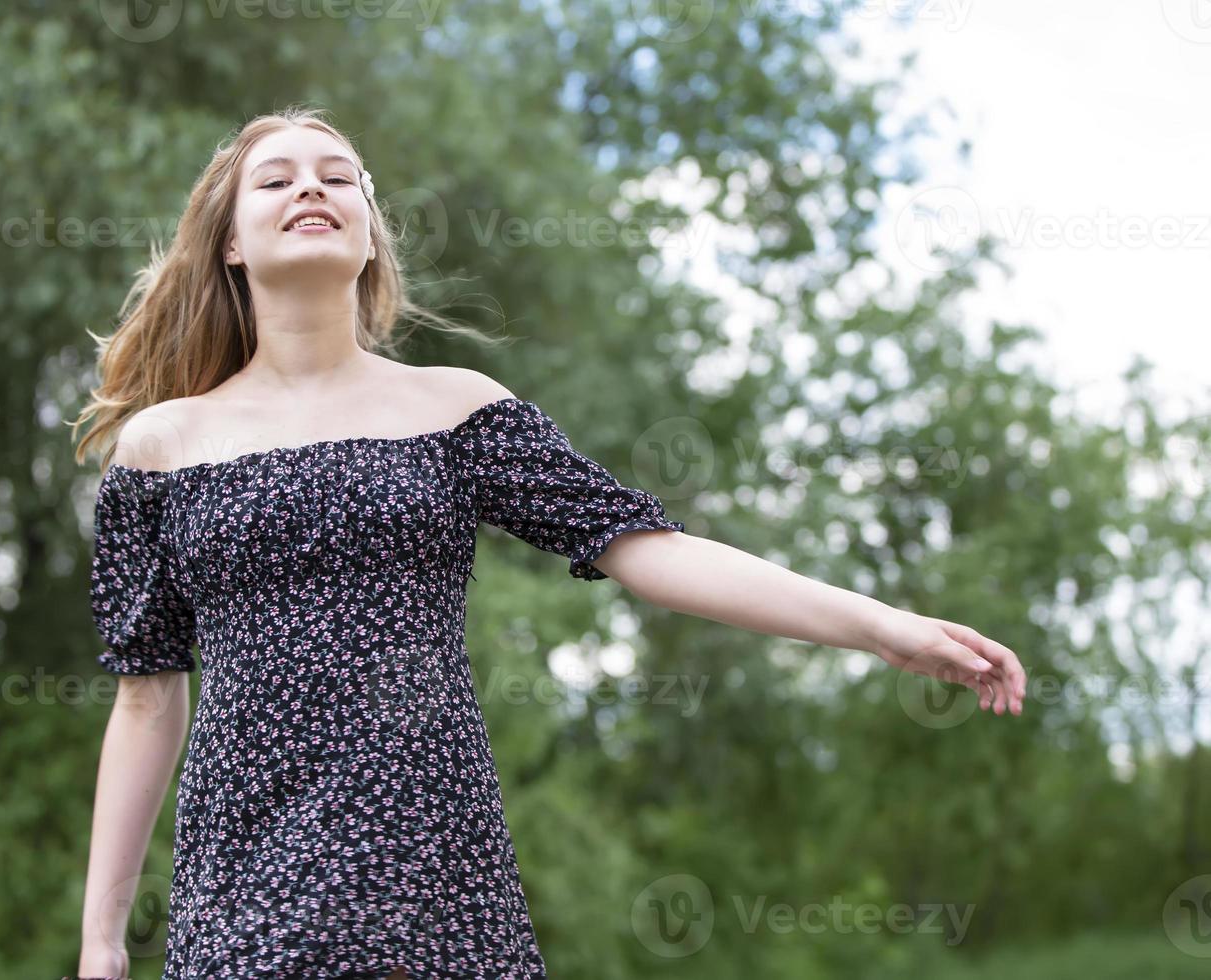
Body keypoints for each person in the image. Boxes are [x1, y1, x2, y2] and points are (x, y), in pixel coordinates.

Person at [67, 105, 1025, 980]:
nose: (311, 187)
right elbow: (148, 701)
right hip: (244, 882)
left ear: (369, 236)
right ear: (231, 242)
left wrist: (885, 629)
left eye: (338, 174)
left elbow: (650, 548)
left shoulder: (457, 412)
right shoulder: (160, 450)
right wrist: (101, 944)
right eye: (275, 179)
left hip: (430, 869)